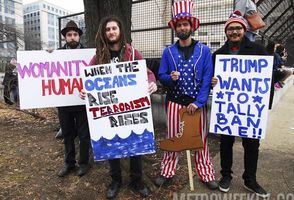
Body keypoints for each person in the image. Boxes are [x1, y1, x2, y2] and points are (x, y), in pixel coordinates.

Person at [81, 15, 157, 199]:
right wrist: (85, 91)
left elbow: (147, 73)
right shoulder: (99, 56)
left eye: (114, 28)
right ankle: (115, 180)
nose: (111, 32)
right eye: (107, 29)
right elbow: (88, 80)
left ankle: (137, 181)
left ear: (120, 31)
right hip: (109, 111)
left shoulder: (132, 53)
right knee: (111, 144)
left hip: (131, 110)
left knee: (136, 144)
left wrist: (152, 82)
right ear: (104, 33)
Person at [155, 0, 218, 190]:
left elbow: (207, 78)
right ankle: (167, 172)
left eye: (185, 24)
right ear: (175, 28)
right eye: (179, 24)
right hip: (174, 103)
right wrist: (170, 78)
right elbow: (161, 76)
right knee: (173, 138)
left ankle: (206, 174)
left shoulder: (205, 51)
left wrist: (199, 102)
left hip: (195, 105)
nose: (182, 27)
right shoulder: (168, 52)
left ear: (191, 26)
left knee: (199, 140)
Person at [211, 11, 270, 198]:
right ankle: (226, 176)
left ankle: (250, 179)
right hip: (228, 107)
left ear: (244, 30)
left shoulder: (259, 50)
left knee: (252, 145)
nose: (234, 32)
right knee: (226, 142)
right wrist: (213, 83)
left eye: (238, 28)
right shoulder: (218, 55)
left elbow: (266, 81)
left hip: (251, 108)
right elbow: (211, 80)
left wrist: (264, 106)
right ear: (226, 32)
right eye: (230, 29)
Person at [57, 20, 91, 177]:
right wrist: (46, 55)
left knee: (84, 135)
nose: (72, 37)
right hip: (64, 103)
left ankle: (83, 163)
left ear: (79, 36)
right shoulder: (55, 54)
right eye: (69, 35)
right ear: (65, 37)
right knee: (68, 134)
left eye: (75, 34)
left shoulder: (89, 54)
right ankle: (69, 163)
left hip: (82, 102)